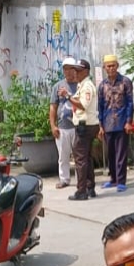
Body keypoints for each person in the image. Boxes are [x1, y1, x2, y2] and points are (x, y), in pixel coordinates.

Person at [97, 54, 134, 192]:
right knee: (111, 153)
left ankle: (121, 180)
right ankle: (113, 179)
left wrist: (129, 121)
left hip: (122, 122)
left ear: (117, 66)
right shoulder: (102, 85)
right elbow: (100, 106)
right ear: (105, 68)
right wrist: (100, 125)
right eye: (108, 66)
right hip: (107, 124)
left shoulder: (125, 82)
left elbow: (130, 103)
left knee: (121, 153)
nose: (111, 68)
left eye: (113, 65)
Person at [67, 58, 99, 201]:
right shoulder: (83, 85)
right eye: (75, 70)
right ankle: (89, 186)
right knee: (87, 158)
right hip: (88, 124)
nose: (76, 73)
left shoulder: (86, 86)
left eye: (78, 70)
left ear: (85, 71)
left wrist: (67, 96)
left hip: (84, 125)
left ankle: (81, 191)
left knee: (80, 159)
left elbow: (82, 105)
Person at [50, 57, 78, 190]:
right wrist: (53, 125)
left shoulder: (80, 85)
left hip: (78, 126)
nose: (67, 71)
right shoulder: (58, 86)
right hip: (63, 127)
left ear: (75, 70)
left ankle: (81, 179)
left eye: (70, 68)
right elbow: (53, 107)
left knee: (79, 155)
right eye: (65, 68)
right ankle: (64, 179)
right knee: (63, 155)